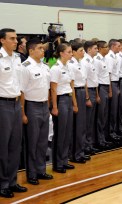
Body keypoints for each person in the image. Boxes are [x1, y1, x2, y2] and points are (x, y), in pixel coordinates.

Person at [20, 38, 53, 185]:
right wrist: (23, 113)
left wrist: (49, 106)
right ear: (31, 50)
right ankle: (32, 173)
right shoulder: (25, 67)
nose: (43, 50)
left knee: (42, 142)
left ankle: (41, 170)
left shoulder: (45, 66)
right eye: (40, 48)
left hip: (44, 106)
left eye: (43, 47)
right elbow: (21, 92)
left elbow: (47, 89)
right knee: (32, 142)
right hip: (31, 107)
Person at [0, 28, 27, 198]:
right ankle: (2, 184)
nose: (16, 41)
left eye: (16, 38)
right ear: (2, 40)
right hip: (3, 104)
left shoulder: (17, 59)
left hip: (17, 104)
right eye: (12, 38)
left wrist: (22, 108)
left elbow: (20, 85)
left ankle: (12, 181)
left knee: (15, 146)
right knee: (3, 146)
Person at [50, 43, 78, 173]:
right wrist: (54, 107)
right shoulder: (55, 68)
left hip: (68, 99)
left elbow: (72, 87)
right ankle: (57, 163)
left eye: (71, 52)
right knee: (60, 133)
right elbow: (53, 89)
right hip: (60, 100)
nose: (71, 54)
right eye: (69, 52)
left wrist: (75, 104)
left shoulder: (69, 67)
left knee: (67, 132)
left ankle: (64, 159)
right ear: (61, 53)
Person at [69, 42, 87, 164]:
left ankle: (80, 151)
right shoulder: (71, 65)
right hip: (75, 92)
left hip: (81, 91)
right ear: (74, 52)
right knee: (77, 125)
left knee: (81, 125)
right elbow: (72, 84)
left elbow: (84, 80)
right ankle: (75, 154)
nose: (83, 52)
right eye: (80, 50)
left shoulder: (80, 62)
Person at [94, 41, 115, 149]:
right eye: (106, 47)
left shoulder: (104, 59)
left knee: (105, 114)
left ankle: (104, 137)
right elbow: (96, 78)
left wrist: (110, 89)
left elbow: (107, 76)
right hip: (101, 87)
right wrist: (97, 94)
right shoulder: (97, 60)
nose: (108, 49)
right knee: (100, 116)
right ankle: (99, 139)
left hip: (106, 87)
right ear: (100, 48)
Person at [81, 41, 100, 156]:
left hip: (94, 91)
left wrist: (97, 95)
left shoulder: (92, 61)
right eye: (95, 48)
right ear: (88, 50)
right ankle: (86, 145)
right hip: (89, 92)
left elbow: (95, 79)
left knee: (91, 121)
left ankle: (89, 144)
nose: (97, 50)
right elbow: (85, 81)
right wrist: (87, 97)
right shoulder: (85, 62)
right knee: (87, 121)